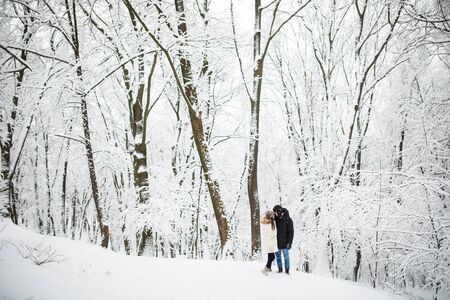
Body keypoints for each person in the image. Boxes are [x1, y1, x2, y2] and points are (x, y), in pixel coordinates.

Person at [273, 205, 294, 274]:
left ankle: (287, 271)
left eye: (275, 212)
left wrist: (290, 243)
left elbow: (291, 232)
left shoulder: (288, 219)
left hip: (285, 243)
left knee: (286, 258)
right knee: (278, 258)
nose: (275, 214)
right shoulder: (275, 219)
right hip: (276, 243)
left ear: (279, 211)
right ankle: (280, 270)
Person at [260, 210, 278, 275]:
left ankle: (269, 267)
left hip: (272, 241)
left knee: (271, 256)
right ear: (270, 216)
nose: (274, 215)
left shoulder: (272, 222)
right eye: (273, 215)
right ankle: (266, 268)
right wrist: (271, 245)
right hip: (270, 242)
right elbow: (268, 235)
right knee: (272, 257)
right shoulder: (268, 224)